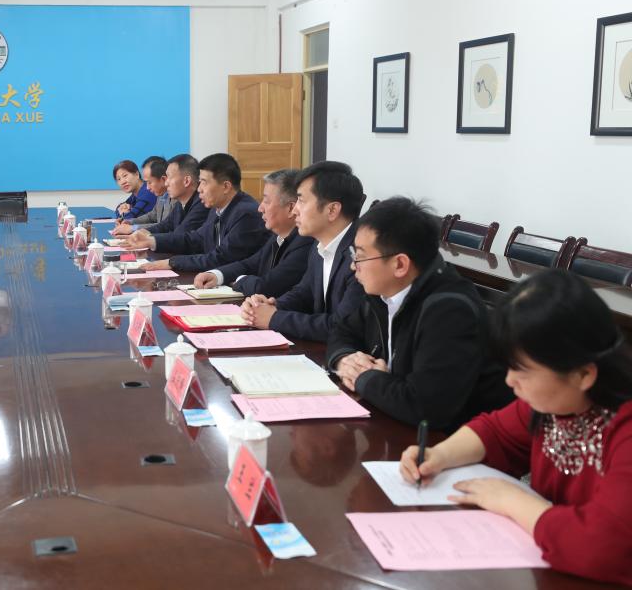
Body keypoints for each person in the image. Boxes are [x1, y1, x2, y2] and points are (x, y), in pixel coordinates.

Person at [398, 270, 632, 586]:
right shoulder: (558, 403)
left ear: (582, 374)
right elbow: (495, 431)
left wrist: (513, 501)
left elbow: (601, 548)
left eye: (522, 371)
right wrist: (439, 455)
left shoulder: (624, 430)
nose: (509, 381)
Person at [327, 197, 512, 430]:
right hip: (397, 423)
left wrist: (365, 378)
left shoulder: (450, 311)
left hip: (454, 440)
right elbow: (341, 331)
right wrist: (345, 360)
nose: (353, 265)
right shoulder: (383, 291)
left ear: (400, 265)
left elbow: (426, 408)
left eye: (361, 256)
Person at [242, 161, 364, 342]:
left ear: (332, 210)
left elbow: (342, 326)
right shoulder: (318, 246)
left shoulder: (362, 255)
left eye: (302, 201)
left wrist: (274, 318)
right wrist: (272, 305)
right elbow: (304, 293)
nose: (295, 210)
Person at [194, 168, 313, 298]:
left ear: (291, 208)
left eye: (266, 201)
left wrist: (240, 280)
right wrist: (217, 275)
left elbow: (265, 287)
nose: (260, 208)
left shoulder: (305, 242)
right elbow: (250, 264)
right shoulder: (277, 236)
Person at [140, 153, 268, 273]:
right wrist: (152, 241)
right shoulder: (216, 208)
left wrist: (173, 262)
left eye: (204, 182)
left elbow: (221, 258)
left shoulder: (245, 214)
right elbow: (196, 239)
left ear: (226, 187)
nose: (199, 189)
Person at [120, 153, 208, 244]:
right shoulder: (180, 202)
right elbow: (165, 225)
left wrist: (149, 240)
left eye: (169, 177)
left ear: (186, 181)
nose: (166, 183)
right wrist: (140, 233)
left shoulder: (201, 203)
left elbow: (180, 236)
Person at [113, 156, 171, 234]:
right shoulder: (160, 195)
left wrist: (132, 227)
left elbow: (165, 226)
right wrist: (129, 221)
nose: (122, 182)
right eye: (118, 179)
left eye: (125, 176)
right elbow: (151, 216)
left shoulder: (150, 193)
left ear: (137, 174)